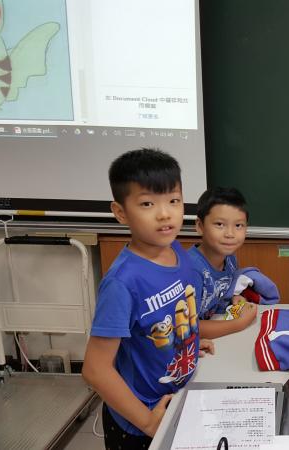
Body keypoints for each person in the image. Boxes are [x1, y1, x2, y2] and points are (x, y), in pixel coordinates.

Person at [82, 148, 215, 450]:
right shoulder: (122, 283)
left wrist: (188, 340)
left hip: (175, 398)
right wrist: (147, 422)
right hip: (139, 424)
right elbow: (95, 369)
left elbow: (167, 316)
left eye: (174, 200)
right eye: (147, 203)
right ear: (120, 212)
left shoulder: (177, 253)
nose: (165, 213)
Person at [188, 186, 258, 338]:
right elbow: (188, 327)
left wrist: (234, 299)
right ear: (200, 226)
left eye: (238, 225)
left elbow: (220, 296)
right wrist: (240, 323)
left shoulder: (230, 259)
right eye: (220, 224)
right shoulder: (191, 270)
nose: (230, 234)